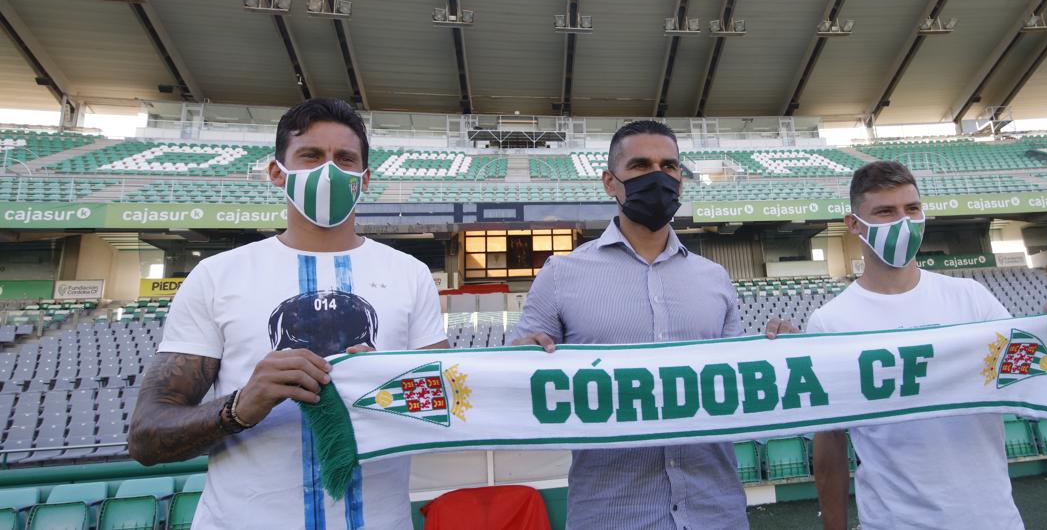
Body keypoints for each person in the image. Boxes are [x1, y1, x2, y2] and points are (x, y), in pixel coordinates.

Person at [129, 98, 448, 530]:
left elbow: (448, 409)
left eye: (345, 159)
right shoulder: (217, 276)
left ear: (364, 179)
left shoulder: (410, 274)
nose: (329, 170)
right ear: (278, 173)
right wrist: (242, 406)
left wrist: (384, 386)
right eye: (311, 156)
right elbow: (147, 436)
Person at [510, 120, 795, 530]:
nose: (658, 176)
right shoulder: (560, 274)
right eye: (641, 165)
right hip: (611, 514)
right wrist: (521, 358)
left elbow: (735, 386)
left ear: (681, 179)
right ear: (610, 182)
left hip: (715, 511)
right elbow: (520, 374)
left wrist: (781, 356)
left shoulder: (714, 278)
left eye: (669, 166)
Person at [808, 161, 1047, 530]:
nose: (903, 222)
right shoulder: (831, 321)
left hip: (994, 519)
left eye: (912, 209)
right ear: (853, 224)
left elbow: (1027, 369)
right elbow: (829, 443)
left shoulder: (971, 298)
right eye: (885, 212)